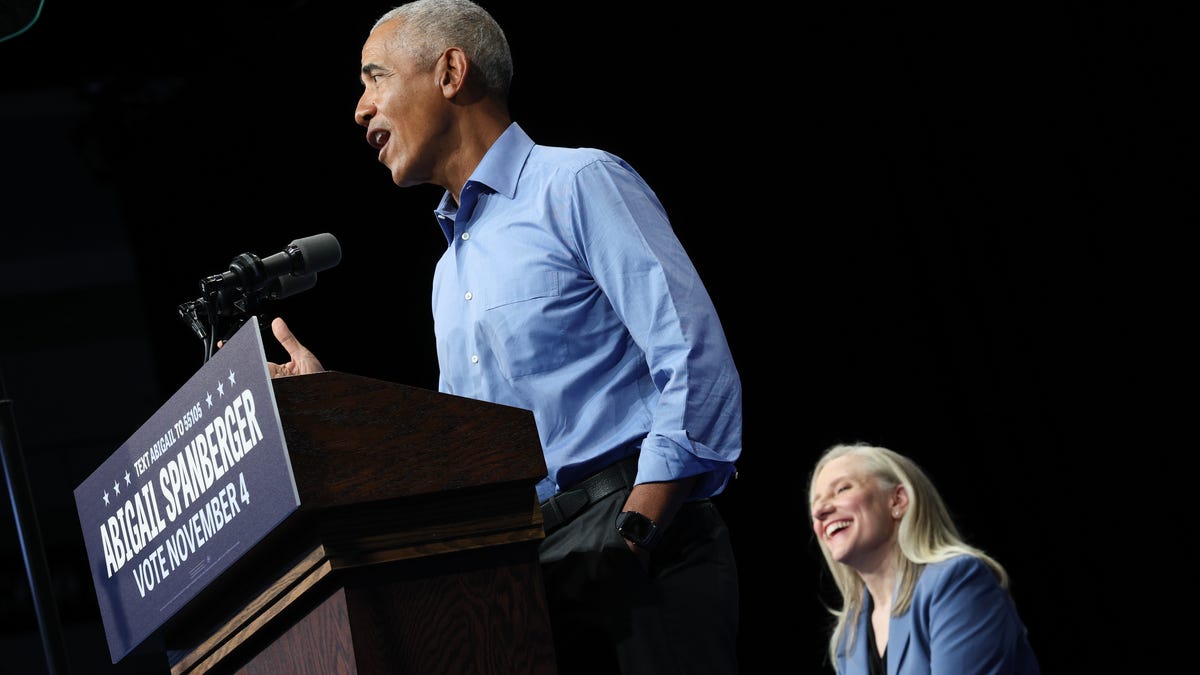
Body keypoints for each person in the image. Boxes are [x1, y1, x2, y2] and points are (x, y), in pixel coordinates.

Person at [266, 1, 743, 672]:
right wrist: (336, 406)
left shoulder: (576, 183)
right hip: (521, 583)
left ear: (451, 72)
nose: (360, 109)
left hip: (632, 543)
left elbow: (694, 359)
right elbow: (461, 453)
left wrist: (636, 531)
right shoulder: (445, 274)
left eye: (375, 78)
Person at [808, 442, 1041, 675]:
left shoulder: (956, 583)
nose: (819, 511)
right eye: (816, 503)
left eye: (842, 489)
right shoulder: (848, 636)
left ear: (898, 500)